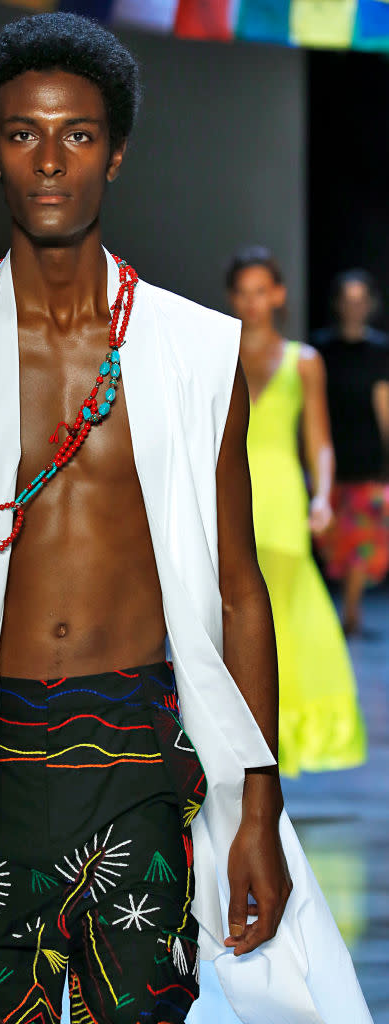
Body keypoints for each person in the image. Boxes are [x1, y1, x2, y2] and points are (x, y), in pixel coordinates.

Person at [0, 14, 370, 1024]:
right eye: (22, 134)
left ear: (116, 151)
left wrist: (257, 808)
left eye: (78, 134)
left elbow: (236, 588)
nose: (50, 160)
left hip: (137, 754)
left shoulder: (188, 350)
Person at [226, 247, 367, 778]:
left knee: (283, 624)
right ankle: (239, 745)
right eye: (243, 291)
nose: (252, 302)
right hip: (232, 499)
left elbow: (320, 442)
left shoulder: (303, 361)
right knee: (233, 620)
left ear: (279, 295)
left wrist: (323, 495)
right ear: (232, 297)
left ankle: (276, 746)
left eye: (262, 290)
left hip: (283, 502)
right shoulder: (219, 355)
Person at [311, 269, 389, 633]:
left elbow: (384, 405)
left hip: (368, 459)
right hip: (330, 455)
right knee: (333, 543)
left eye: (361, 300)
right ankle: (343, 607)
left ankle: (352, 612)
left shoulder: (379, 351)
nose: (354, 307)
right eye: (348, 299)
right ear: (338, 303)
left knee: (361, 541)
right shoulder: (320, 349)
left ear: (370, 305)